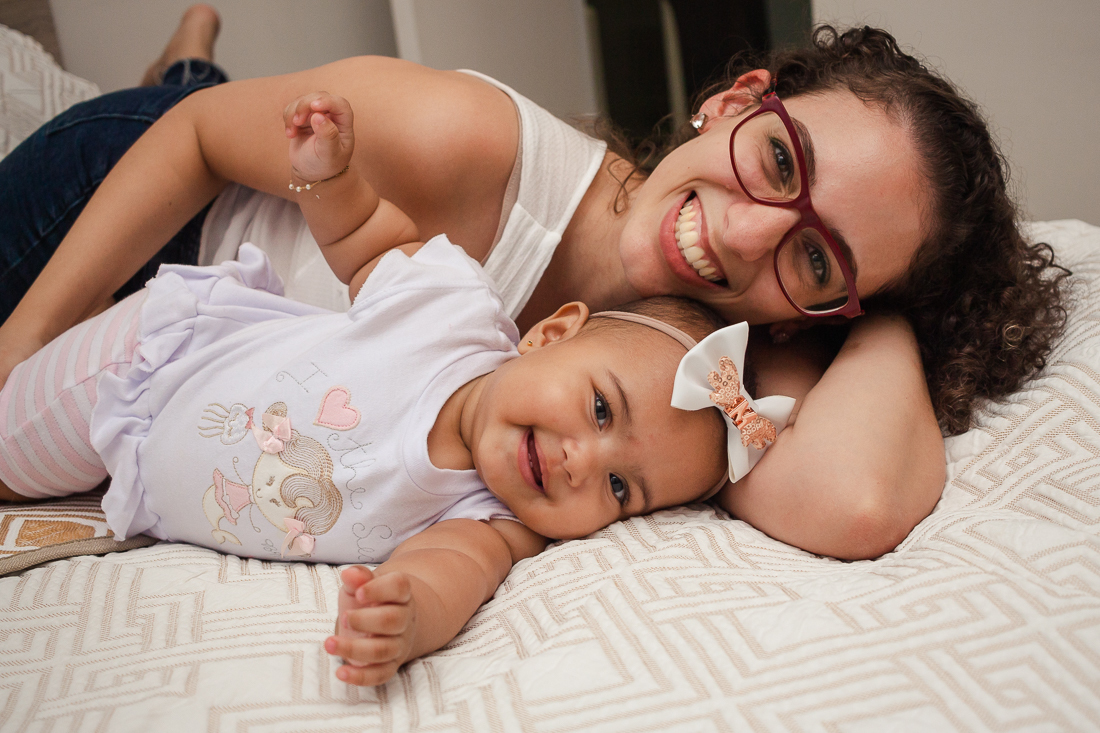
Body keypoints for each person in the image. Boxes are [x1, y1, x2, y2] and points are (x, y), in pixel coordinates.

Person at [0, 6, 1068, 560]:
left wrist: (881, 315)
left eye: (817, 254)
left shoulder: (713, 364)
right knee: (201, 111)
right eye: (779, 161)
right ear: (736, 100)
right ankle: (182, 70)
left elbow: (852, 499)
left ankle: (189, 55)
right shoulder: (461, 144)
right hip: (141, 208)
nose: (740, 234)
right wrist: (29, 340)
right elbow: (192, 147)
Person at [0, 89, 801, 686]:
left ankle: (186, 56)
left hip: (142, 468)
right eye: (598, 409)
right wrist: (329, 177)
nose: (581, 462)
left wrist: (409, 614)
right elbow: (363, 239)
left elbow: (449, 572)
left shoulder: (494, 519)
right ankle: (181, 72)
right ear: (549, 333)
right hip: (152, 363)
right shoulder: (451, 312)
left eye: (622, 488)